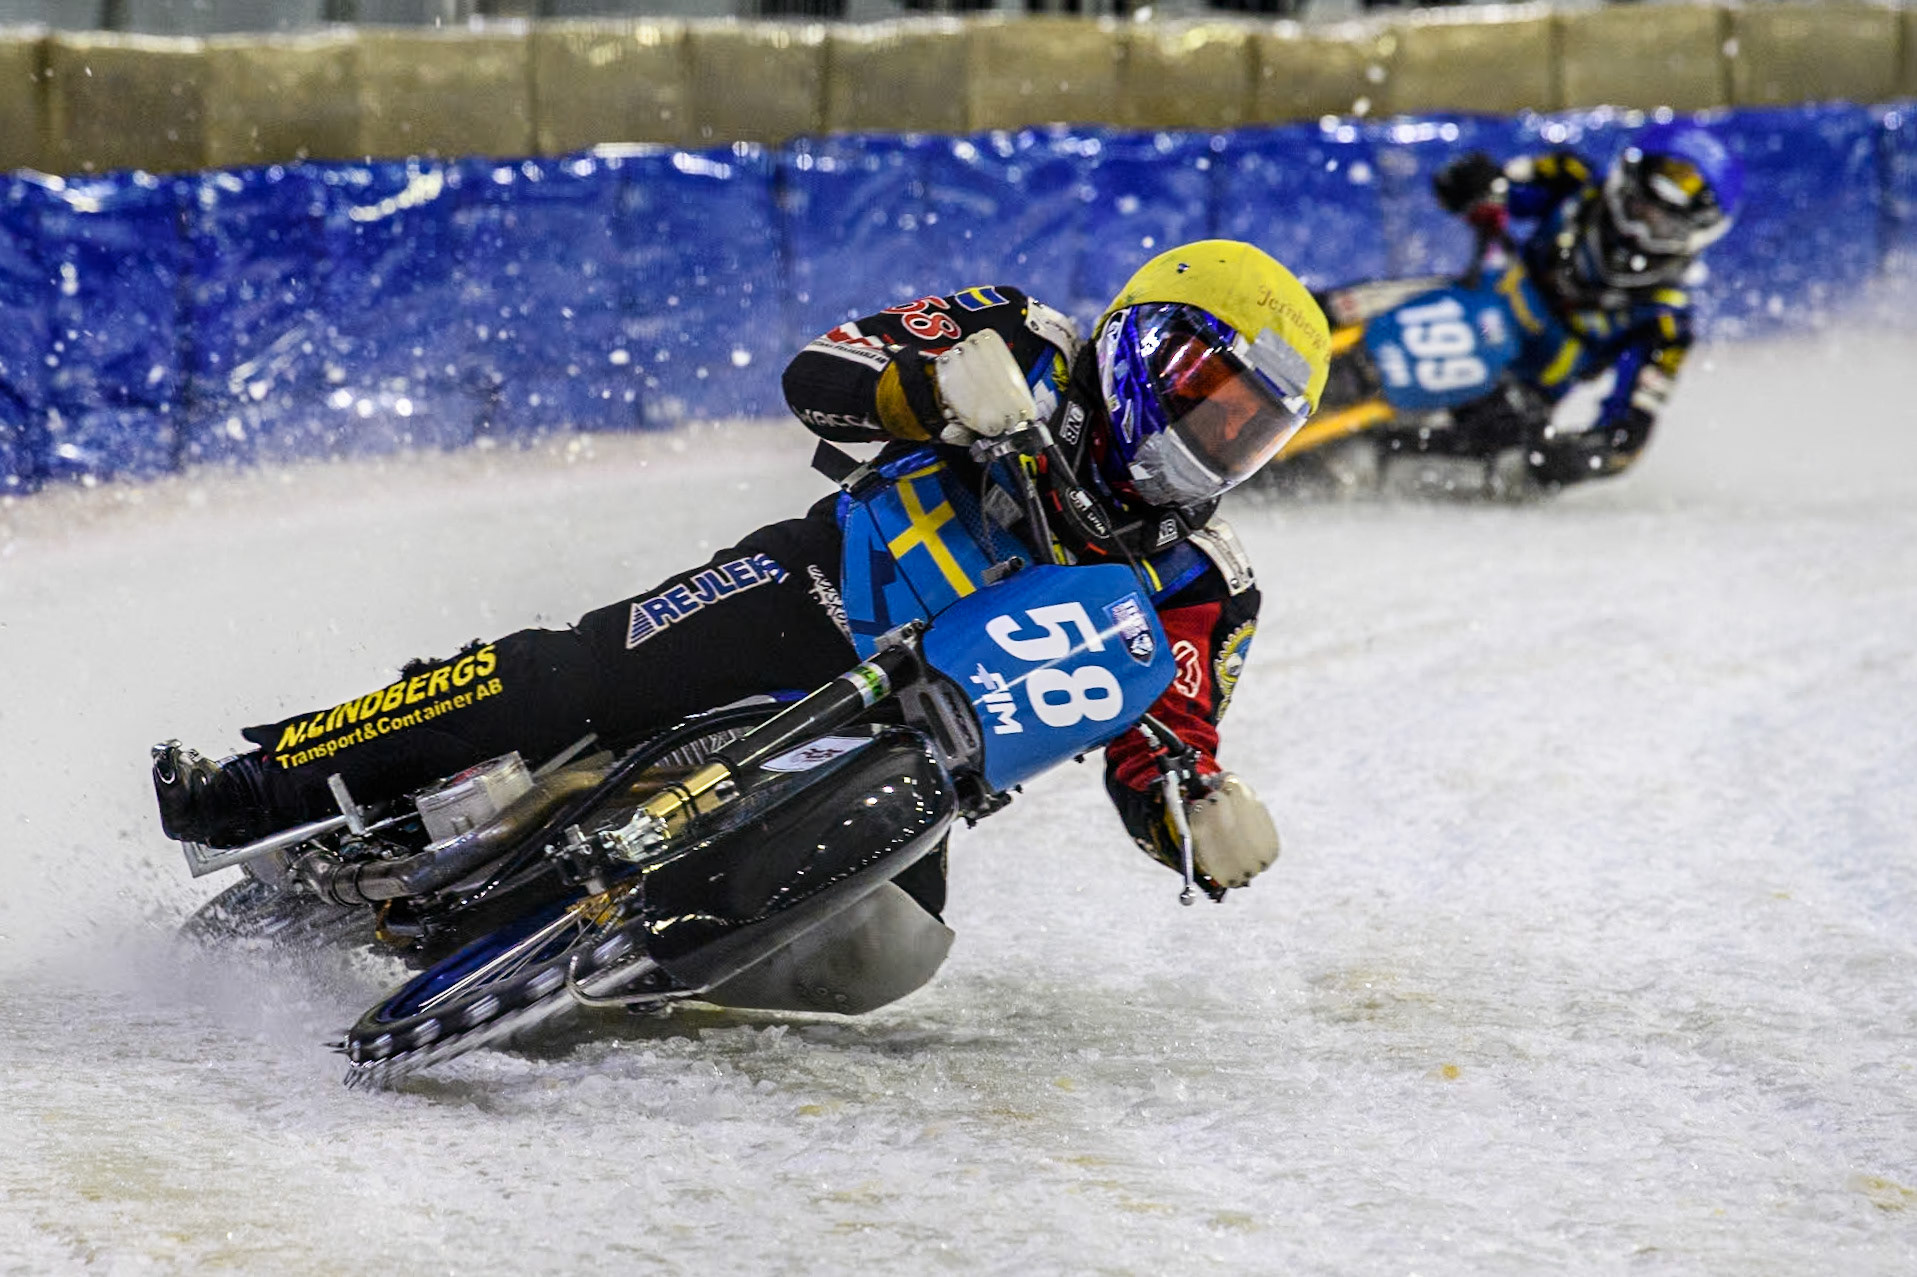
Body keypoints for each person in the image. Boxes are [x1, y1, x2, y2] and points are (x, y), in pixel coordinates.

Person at [153, 239, 1330, 934]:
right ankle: (259, 783)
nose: (1208, 439)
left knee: (899, 946)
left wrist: (1193, 805)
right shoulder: (1017, 333)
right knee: (567, 675)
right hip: (807, 593)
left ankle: (626, 960)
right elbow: (821, 373)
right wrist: (928, 400)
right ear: (1142, 341)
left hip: (919, 749)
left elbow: (1158, 729)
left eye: (1246, 432)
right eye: (1205, 394)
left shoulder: (1202, 579)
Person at [1426, 120, 1744, 485]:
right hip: (1462, 307)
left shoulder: (1665, 324)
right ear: (1624, 185)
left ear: (1693, 236)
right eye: (1640, 210)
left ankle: (1374, 459)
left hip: (1509, 393)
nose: (1639, 234)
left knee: (1503, 453)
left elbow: (1627, 433)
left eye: (1663, 228)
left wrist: (1577, 457)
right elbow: (1483, 190)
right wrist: (1471, 182)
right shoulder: (1572, 180)